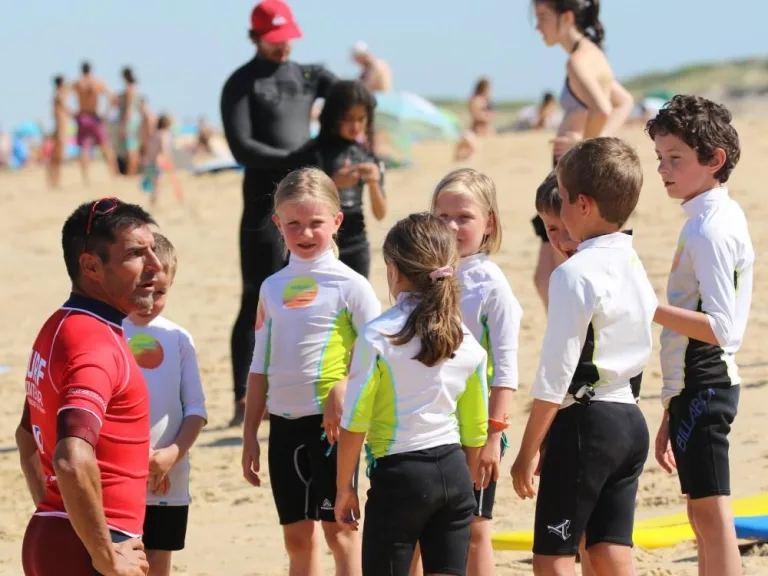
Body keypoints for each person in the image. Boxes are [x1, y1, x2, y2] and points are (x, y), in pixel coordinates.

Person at [511, 138, 657, 576]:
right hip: (630, 422)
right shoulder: (631, 260)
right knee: (609, 553)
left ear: (584, 206)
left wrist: (527, 450)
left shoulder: (572, 274)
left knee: (552, 559)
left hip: (586, 426)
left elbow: (555, 375)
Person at [241, 167, 380, 576]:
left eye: (316, 223)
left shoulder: (351, 285)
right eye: (294, 224)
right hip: (282, 429)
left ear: (337, 222)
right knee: (297, 538)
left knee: (340, 533)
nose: (305, 233)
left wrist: (343, 385)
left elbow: (379, 352)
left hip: (331, 430)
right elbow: (258, 365)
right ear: (277, 224)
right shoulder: (271, 287)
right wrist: (250, 433)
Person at [335, 212, 488, 576]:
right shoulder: (465, 340)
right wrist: (460, 485)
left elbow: (355, 420)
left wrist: (345, 487)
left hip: (400, 476)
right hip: (453, 471)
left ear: (393, 270)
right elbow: (476, 426)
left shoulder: (378, 336)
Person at [16, 197, 161, 576]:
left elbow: (25, 436)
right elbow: (71, 459)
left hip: (55, 535)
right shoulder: (96, 345)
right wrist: (105, 554)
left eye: (153, 250)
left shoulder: (58, 328)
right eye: (135, 254)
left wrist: (57, 514)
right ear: (91, 266)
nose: (156, 266)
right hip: (93, 549)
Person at [648, 95, 752, 576]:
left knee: (712, 517)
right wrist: (672, 403)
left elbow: (723, 328)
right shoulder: (704, 220)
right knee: (699, 512)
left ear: (714, 160)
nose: (664, 170)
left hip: (708, 382)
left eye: (676, 159)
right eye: (660, 159)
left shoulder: (710, 229)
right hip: (695, 387)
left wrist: (649, 308)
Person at [220, 0, 337, 426]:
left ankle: (309, 385)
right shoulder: (241, 83)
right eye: (275, 39)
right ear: (256, 37)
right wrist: (299, 157)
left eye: (288, 37)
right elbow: (241, 147)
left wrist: (328, 146)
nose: (284, 46)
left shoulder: (309, 76)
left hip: (309, 203)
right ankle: (241, 398)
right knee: (257, 296)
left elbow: (349, 101)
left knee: (314, 291)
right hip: (261, 206)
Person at [430, 169, 521, 576]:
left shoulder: (491, 285)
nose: (450, 226)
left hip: (476, 426)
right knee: (429, 526)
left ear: (489, 224)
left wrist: (493, 435)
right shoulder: (427, 278)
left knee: (474, 526)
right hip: (429, 420)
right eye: (440, 216)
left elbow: (506, 368)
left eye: (463, 217)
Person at [529, 0, 634, 310]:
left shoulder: (577, 61)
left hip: (571, 171)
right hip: (575, 168)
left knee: (551, 274)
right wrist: (593, 143)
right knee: (555, 270)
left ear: (567, 17)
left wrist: (584, 145)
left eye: (542, 17)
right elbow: (624, 102)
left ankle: (573, 342)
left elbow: (604, 108)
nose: (538, 27)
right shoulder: (593, 53)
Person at [123, 233, 207, 576]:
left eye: (159, 292)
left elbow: (196, 410)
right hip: (118, 475)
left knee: (158, 561)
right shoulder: (109, 331)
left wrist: (172, 454)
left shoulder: (178, 338)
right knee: (121, 559)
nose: (150, 299)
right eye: (142, 289)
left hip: (169, 477)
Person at [246, 80, 387, 278]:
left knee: (350, 306)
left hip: (355, 244)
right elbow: (293, 197)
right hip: (312, 243)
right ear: (333, 117)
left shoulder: (367, 156)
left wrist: (373, 183)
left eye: (361, 119)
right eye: (348, 118)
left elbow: (380, 214)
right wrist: (335, 183)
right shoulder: (313, 154)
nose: (355, 126)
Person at [72, 61, 118, 184]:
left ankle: (85, 177)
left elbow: (61, 97)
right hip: (94, 116)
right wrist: (106, 114)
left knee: (84, 148)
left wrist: (71, 112)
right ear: (91, 70)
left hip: (82, 116)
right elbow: (112, 97)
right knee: (105, 145)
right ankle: (114, 173)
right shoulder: (97, 82)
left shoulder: (78, 83)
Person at [140, 114, 183, 206]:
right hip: (158, 162)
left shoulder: (153, 135)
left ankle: (153, 200)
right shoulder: (164, 134)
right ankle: (155, 202)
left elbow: (148, 150)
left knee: (154, 183)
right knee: (158, 184)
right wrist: (169, 160)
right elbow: (164, 149)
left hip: (150, 162)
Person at [454, 78, 495, 161]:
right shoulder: (476, 100)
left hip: (486, 130)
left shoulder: (485, 100)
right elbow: (476, 115)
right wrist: (487, 116)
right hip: (477, 130)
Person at [116, 67, 142, 176]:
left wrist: (124, 123)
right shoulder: (134, 87)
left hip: (130, 119)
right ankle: (132, 171)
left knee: (130, 147)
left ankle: (131, 172)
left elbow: (128, 107)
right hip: (134, 118)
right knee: (133, 146)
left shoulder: (130, 88)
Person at [49, 75, 71, 189]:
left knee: (56, 157)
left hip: (59, 128)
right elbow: (65, 107)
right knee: (57, 157)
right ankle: (55, 181)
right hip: (60, 130)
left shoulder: (57, 95)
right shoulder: (59, 95)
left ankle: (55, 181)